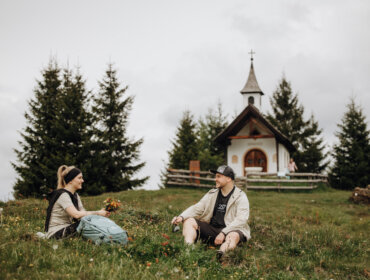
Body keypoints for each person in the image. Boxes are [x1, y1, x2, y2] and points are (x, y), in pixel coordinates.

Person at [171, 165, 250, 260]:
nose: (215, 179)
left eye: (218, 176)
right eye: (215, 176)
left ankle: (222, 255)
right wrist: (182, 217)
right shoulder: (212, 193)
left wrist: (224, 233)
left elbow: (241, 220)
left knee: (233, 236)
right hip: (212, 230)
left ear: (228, 179)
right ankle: (189, 251)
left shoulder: (240, 196)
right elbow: (198, 208)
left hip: (231, 230)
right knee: (189, 221)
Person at [45, 165, 110, 239]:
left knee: (89, 222)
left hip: (66, 229)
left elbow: (84, 215)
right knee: (85, 224)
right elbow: (76, 215)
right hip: (55, 233)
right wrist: (98, 212)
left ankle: (107, 238)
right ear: (70, 181)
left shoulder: (75, 195)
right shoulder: (62, 195)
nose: (82, 180)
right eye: (79, 178)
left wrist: (100, 215)